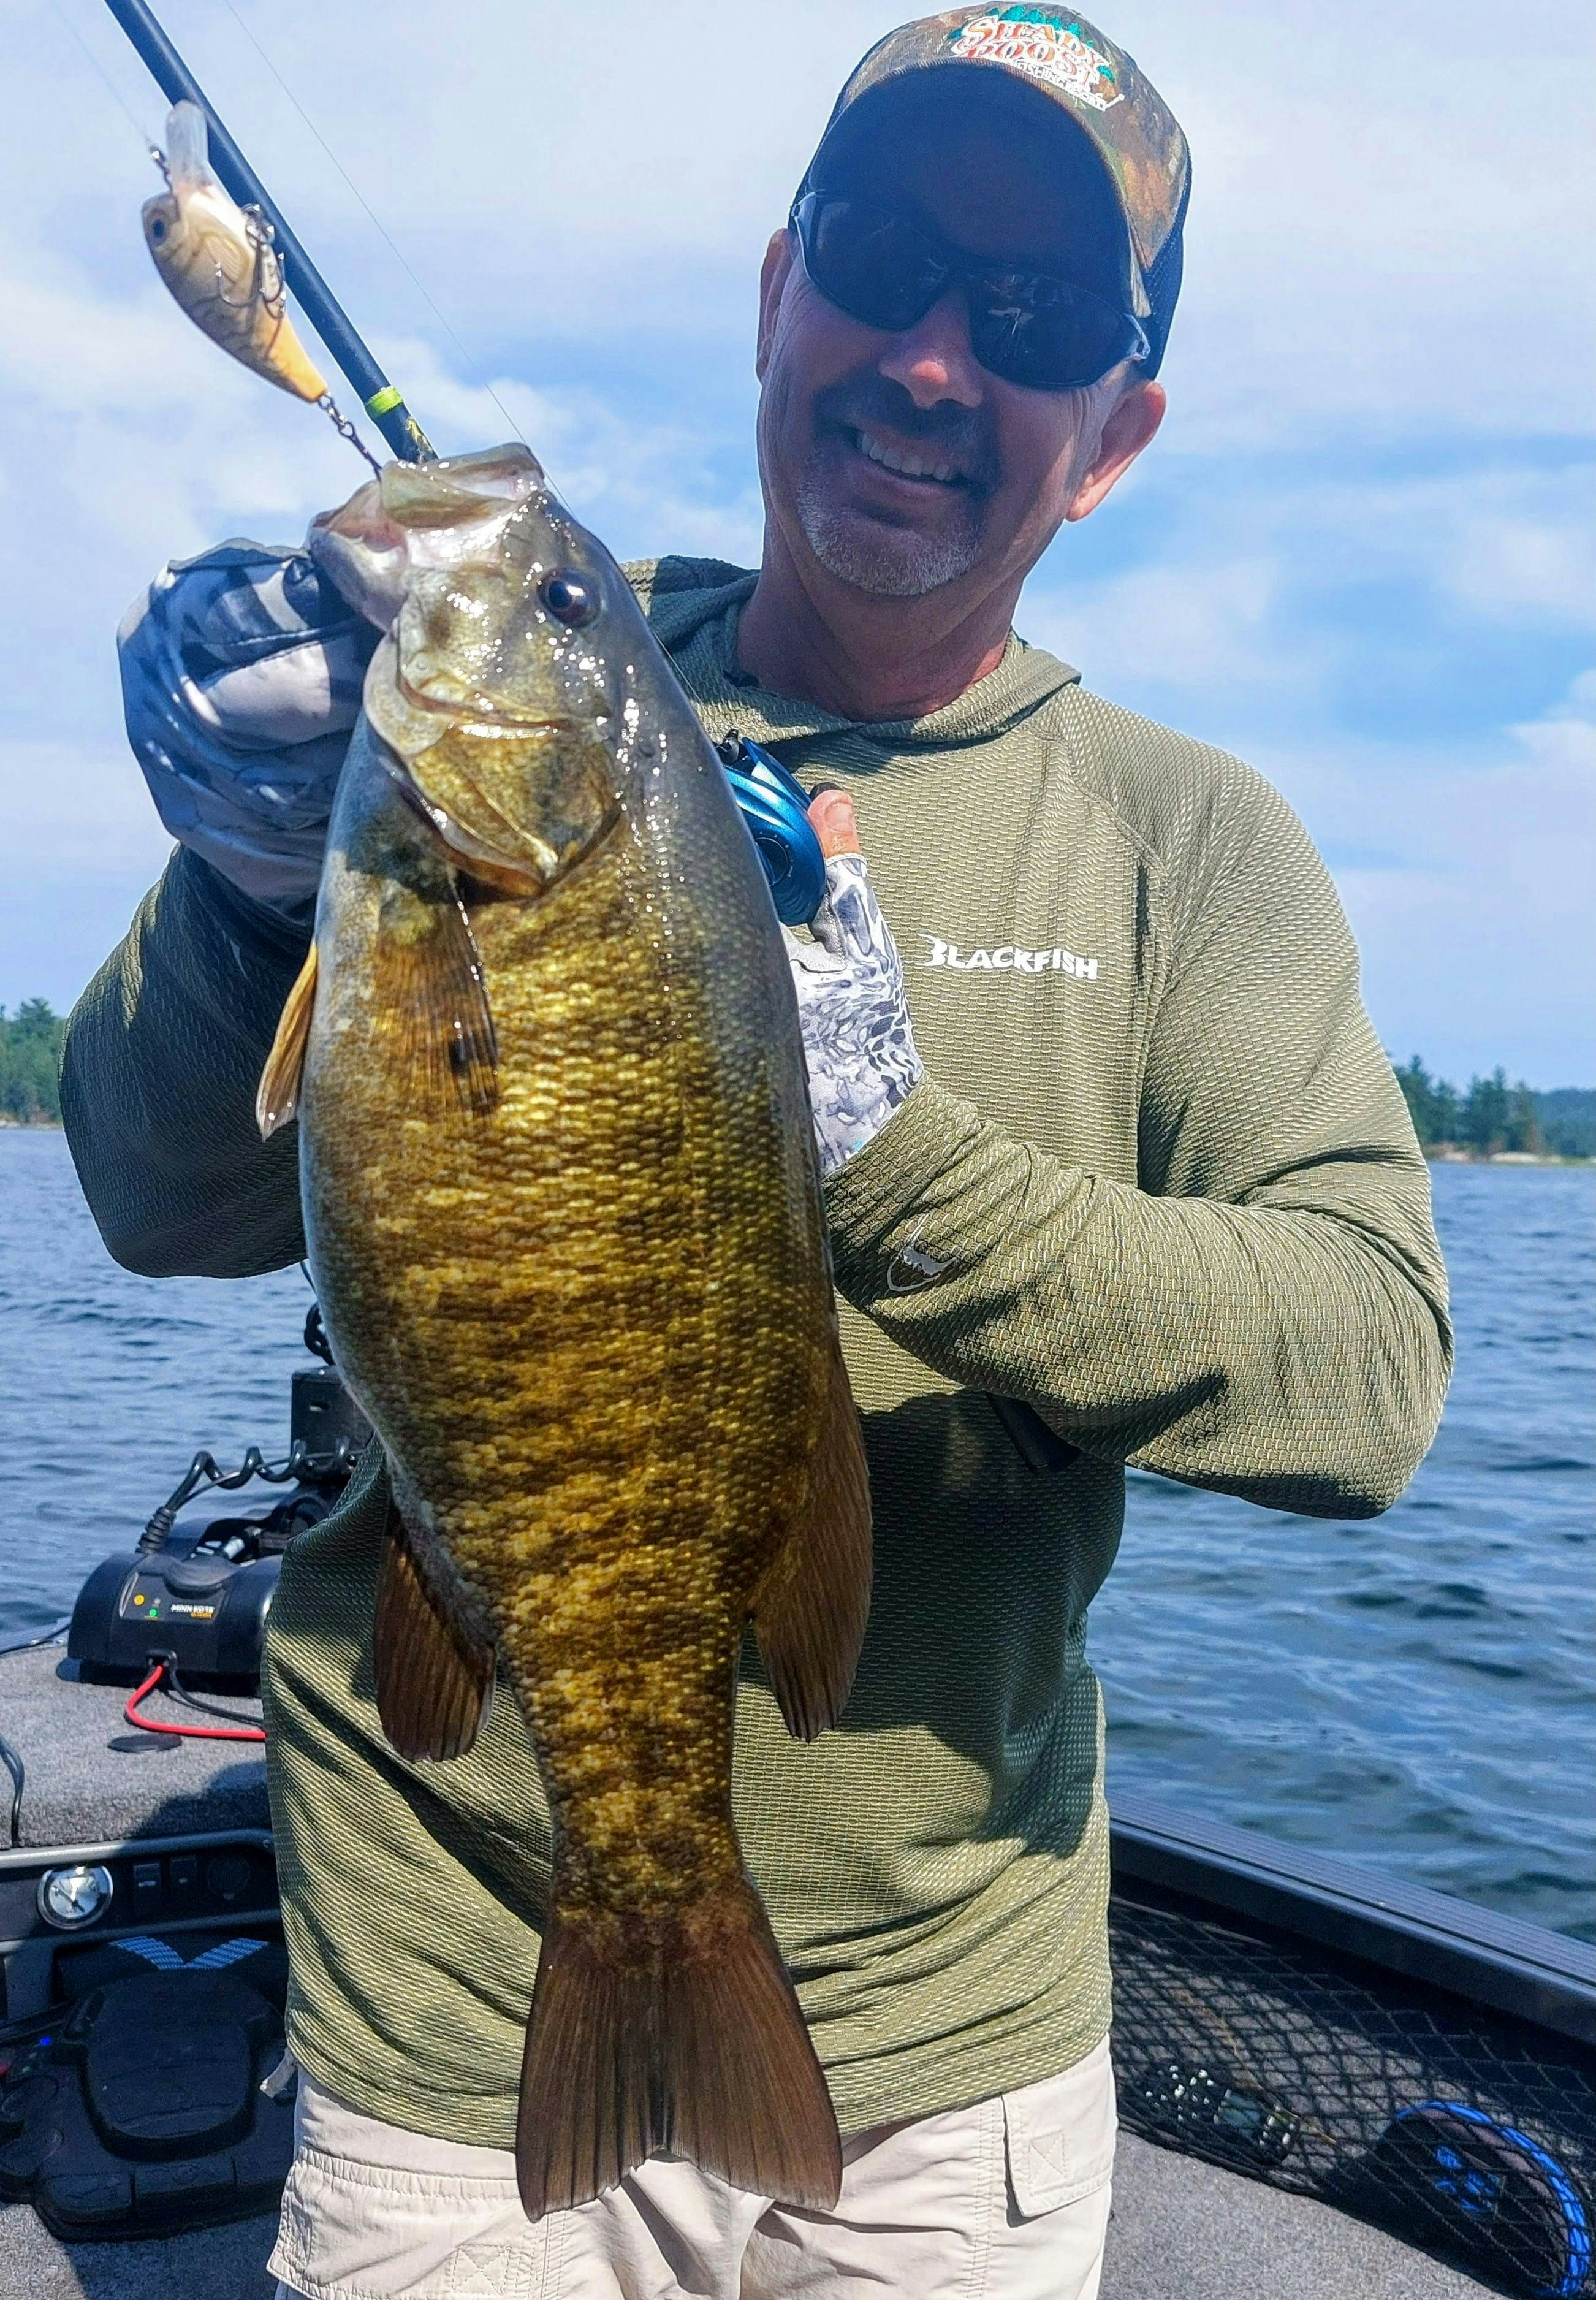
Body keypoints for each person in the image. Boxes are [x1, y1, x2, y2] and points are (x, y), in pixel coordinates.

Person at [61, 10, 1451, 2298]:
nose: (929, 358)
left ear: (1114, 436)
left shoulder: (1190, 844)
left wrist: (888, 1157)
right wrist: (242, 877)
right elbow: (156, 1192)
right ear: (776, 284)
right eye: (888, 260)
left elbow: (1371, 1378)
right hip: (439, 2013)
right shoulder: (522, 740)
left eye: (1030, 321)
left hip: (952, 2071)